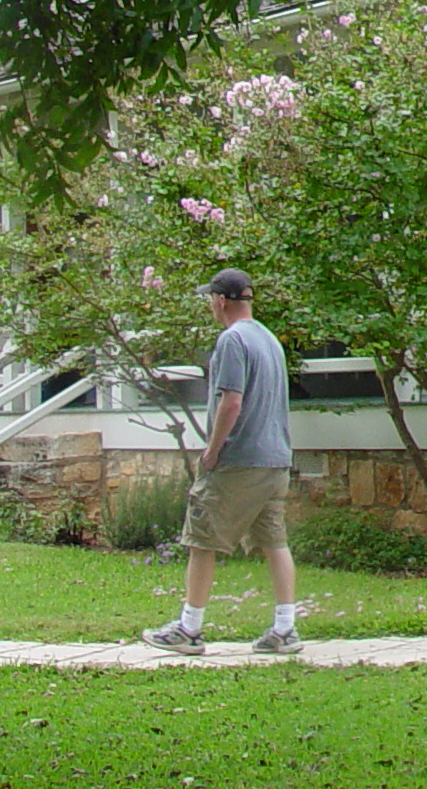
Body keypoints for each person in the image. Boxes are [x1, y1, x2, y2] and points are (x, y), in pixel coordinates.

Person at [141, 268, 300, 656]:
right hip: (276, 459)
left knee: (202, 540)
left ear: (221, 301)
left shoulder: (232, 340)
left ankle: (189, 629)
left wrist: (213, 449)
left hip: (239, 459)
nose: (210, 305)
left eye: (210, 298)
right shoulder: (269, 339)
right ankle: (285, 628)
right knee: (274, 541)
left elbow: (231, 401)